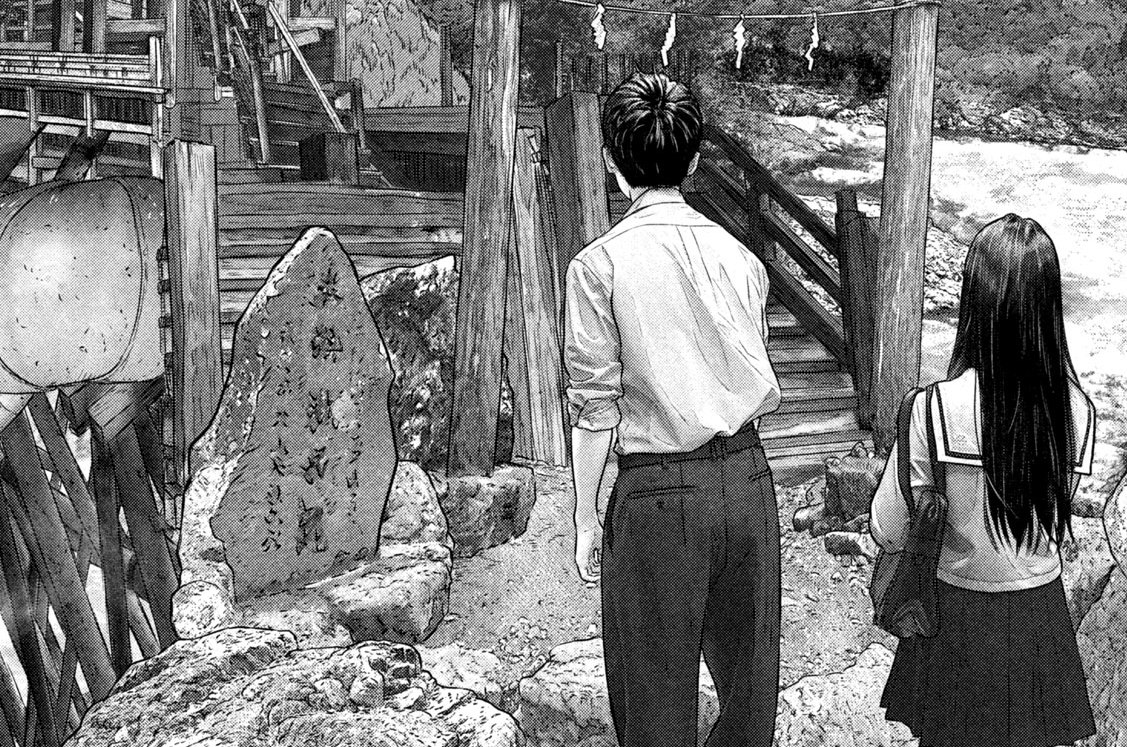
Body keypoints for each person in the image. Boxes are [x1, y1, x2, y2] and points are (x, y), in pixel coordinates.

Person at [563, 72, 783, 747]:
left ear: (611, 161)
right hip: (748, 481)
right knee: (748, 700)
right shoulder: (741, 260)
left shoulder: (598, 266)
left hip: (657, 493)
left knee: (655, 704)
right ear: (692, 162)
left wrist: (584, 513)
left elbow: (595, 409)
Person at [870, 213, 1098, 747]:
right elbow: (1055, 509)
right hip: (1041, 619)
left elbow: (889, 529)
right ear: (1048, 305)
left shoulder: (931, 408)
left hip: (955, 621)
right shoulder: (1077, 412)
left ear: (974, 302)